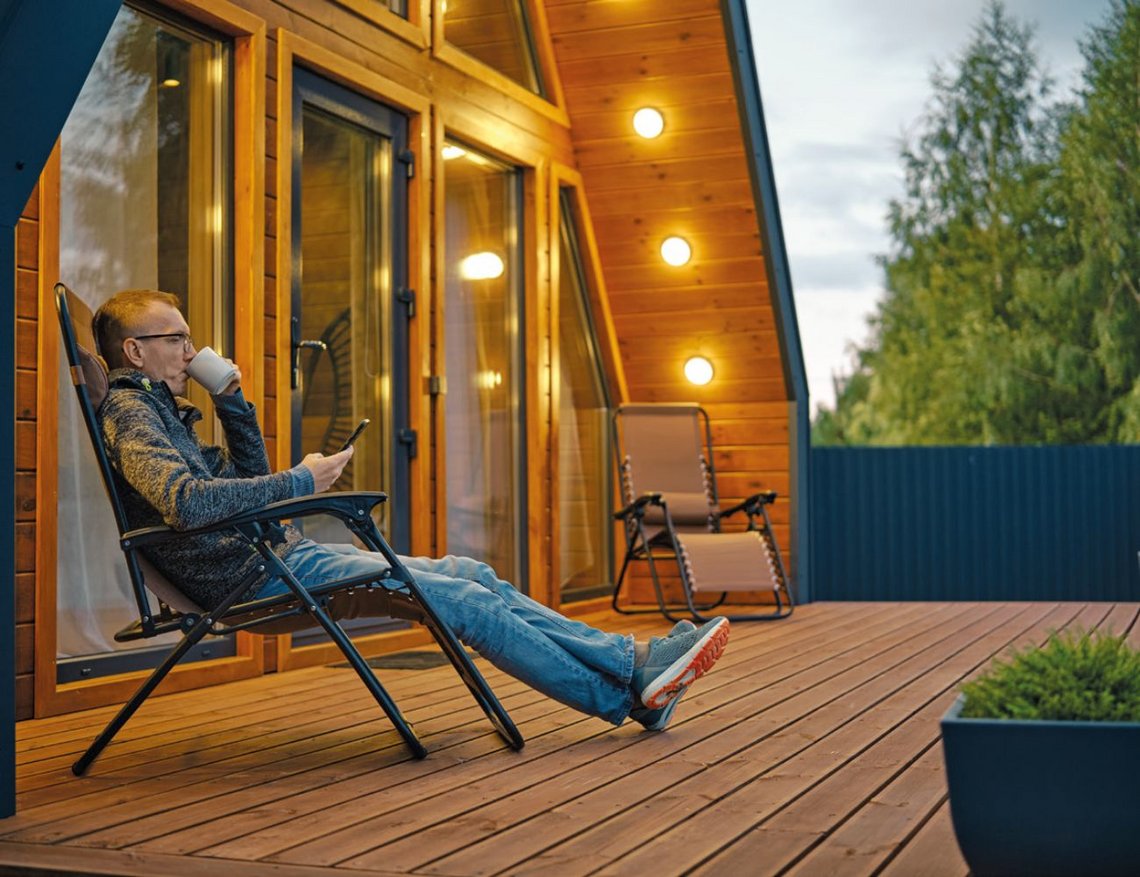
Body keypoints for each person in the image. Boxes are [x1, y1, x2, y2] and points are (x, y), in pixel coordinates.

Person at [92, 289, 729, 731]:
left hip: (274, 558)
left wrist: (232, 401)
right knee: (463, 601)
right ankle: (627, 687)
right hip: (252, 577)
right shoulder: (131, 413)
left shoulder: (168, 415)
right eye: (176, 338)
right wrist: (303, 480)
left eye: (188, 337)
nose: (189, 349)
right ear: (135, 352)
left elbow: (247, 482)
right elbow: (186, 503)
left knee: (471, 574)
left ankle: (634, 675)